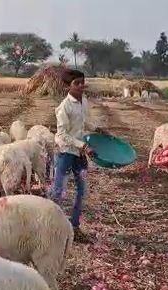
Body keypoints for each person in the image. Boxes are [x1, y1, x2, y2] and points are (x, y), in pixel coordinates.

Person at [49, 69, 108, 244]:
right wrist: (83, 146)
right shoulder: (63, 108)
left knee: (82, 191)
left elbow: (83, 122)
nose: (81, 86)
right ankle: (50, 227)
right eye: (77, 83)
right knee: (58, 191)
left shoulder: (84, 101)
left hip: (79, 153)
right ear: (68, 86)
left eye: (83, 82)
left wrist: (96, 128)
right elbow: (63, 135)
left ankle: (74, 227)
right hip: (66, 152)